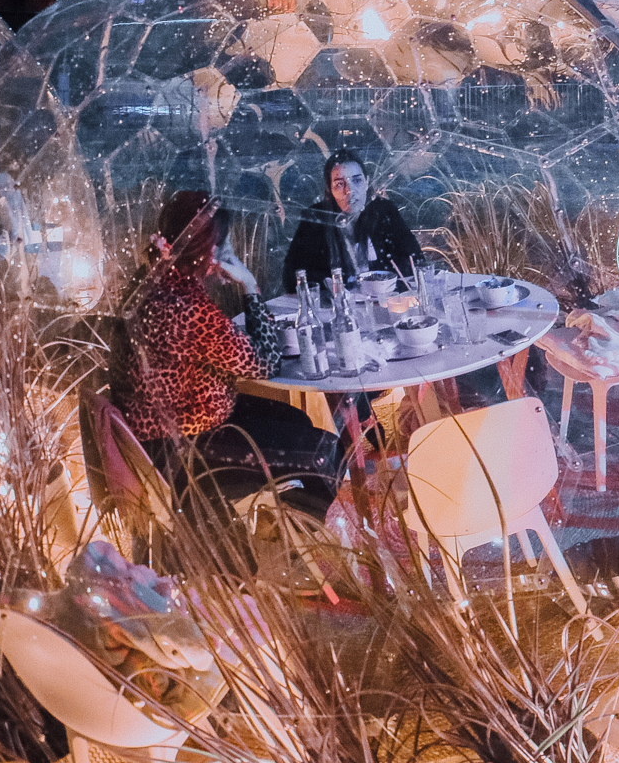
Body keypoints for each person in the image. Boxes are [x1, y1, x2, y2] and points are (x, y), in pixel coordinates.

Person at [116, 195, 345, 508]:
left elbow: (226, 348)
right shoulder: (188, 307)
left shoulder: (154, 281)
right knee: (323, 448)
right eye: (223, 245)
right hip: (185, 445)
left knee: (296, 419)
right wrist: (250, 286)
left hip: (168, 426)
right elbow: (266, 364)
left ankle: (296, 514)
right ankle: (326, 532)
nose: (227, 254)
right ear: (206, 249)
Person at [282, 152, 422, 295]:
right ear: (330, 189)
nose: (349, 191)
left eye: (357, 181)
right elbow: (293, 276)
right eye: (339, 184)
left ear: (367, 182)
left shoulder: (385, 211)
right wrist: (329, 284)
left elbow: (414, 260)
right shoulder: (318, 218)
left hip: (386, 299)